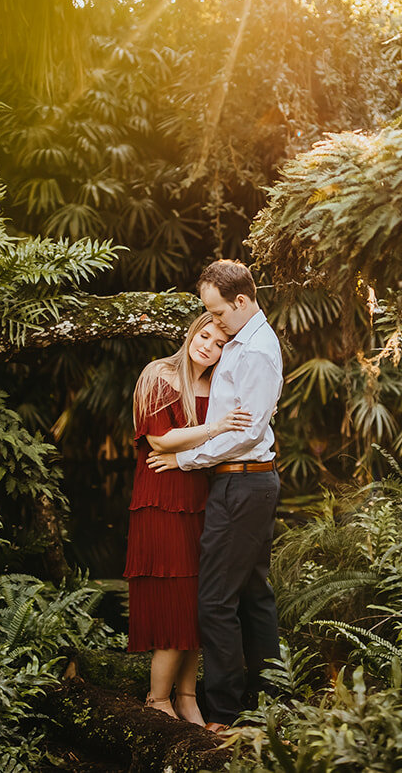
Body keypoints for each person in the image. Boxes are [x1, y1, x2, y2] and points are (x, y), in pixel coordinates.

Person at [148, 259, 283, 731]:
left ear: (241, 301)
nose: (214, 321)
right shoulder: (242, 342)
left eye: (218, 311)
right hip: (245, 481)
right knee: (253, 596)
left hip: (242, 480)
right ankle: (269, 700)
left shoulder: (256, 351)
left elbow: (246, 433)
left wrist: (185, 460)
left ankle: (225, 712)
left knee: (215, 601)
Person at [125, 311, 252, 725]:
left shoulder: (217, 387)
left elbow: (234, 437)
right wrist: (217, 428)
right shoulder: (158, 374)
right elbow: (159, 439)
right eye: (204, 336)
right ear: (192, 332)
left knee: (199, 600)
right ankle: (157, 699)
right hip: (161, 499)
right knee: (175, 600)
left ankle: (187, 696)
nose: (208, 347)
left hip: (201, 499)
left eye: (219, 344)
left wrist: (208, 438)